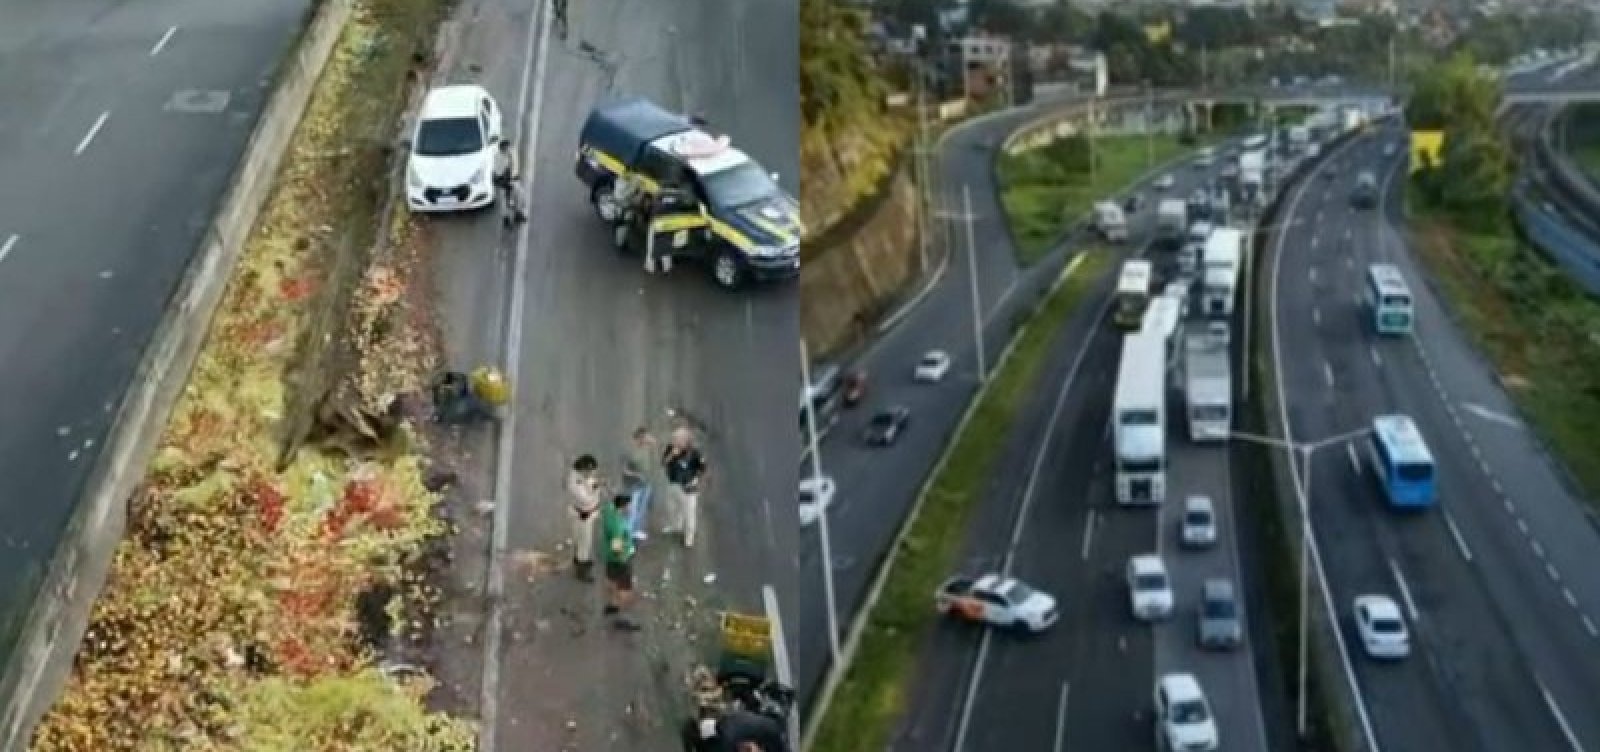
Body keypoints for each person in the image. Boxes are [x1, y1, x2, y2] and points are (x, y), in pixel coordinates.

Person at [661, 426, 707, 548]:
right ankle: (675, 526)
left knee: (689, 514)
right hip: (674, 483)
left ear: (685, 442)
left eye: (676, 440)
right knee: (673, 507)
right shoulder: (671, 449)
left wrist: (695, 480)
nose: (673, 442)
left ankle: (689, 537)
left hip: (688, 488)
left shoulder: (694, 453)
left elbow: (702, 469)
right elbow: (664, 462)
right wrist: (672, 455)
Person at [602, 492, 640, 630]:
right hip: (620, 561)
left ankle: (613, 605)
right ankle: (624, 618)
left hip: (609, 558)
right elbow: (617, 546)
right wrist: (623, 558)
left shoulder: (609, 512)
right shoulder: (618, 525)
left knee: (611, 582)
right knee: (625, 590)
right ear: (623, 507)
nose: (631, 509)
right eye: (629, 506)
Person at [566, 455, 604, 581]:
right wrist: (596, 489)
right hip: (582, 515)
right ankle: (581, 569)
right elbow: (586, 500)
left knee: (581, 540)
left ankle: (579, 559)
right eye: (591, 471)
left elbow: (591, 482)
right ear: (584, 469)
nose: (592, 474)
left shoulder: (581, 477)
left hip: (585, 514)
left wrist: (595, 484)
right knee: (584, 543)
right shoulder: (575, 484)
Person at [620, 427, 657, 542]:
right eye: (644, 438)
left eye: (647, 438)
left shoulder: (648, 448)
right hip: (633, 485)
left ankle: (636, 530)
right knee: (632, 510)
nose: (646, 440)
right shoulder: (629, 451)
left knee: (642, 509)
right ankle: (628, 534)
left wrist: (652, 443)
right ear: (639, 438)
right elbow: (624, 470)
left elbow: (656, 450)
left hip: (646, 484)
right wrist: (636, 475)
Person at [493, 140, 526, 228]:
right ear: (501, 149)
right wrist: (507, 183)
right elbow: (498, 173)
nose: (508, 150)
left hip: (514, 179)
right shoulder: (498, 158)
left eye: (508, 148)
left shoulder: (513, 153)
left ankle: (518, 214)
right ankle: (506, 220)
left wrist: (515, 177)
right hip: (504, 183)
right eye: (505, 149)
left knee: (519, 197)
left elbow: (515, 166)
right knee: (505, 202)